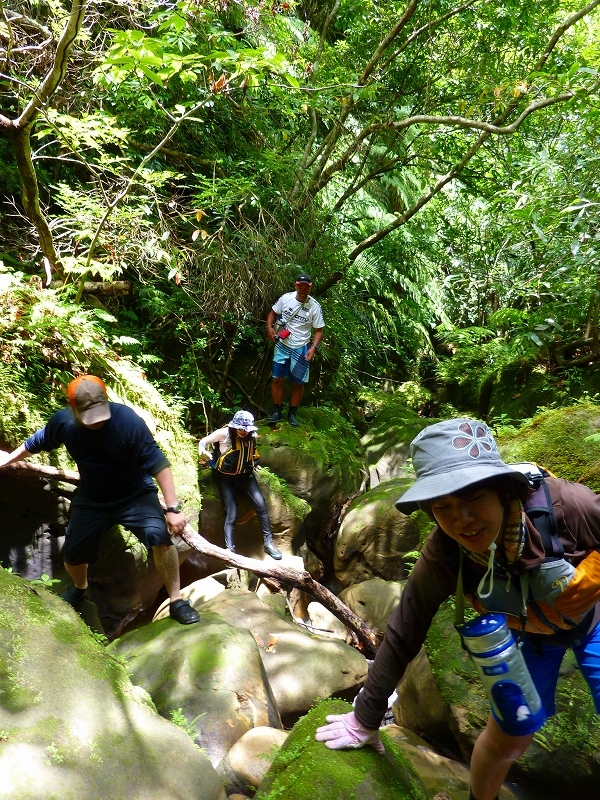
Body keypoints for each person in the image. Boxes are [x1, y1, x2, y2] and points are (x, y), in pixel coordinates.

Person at [315, 418, 600, 800]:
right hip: (528, 637)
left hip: (592, 623)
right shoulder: (444, 554)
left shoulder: (568, 506)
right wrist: (365, 718)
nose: (460, 519)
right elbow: (404, 630)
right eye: (443, 505)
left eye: (472, 499)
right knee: (508, 740)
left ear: (501, 490)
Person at [0, 375, 200, 625]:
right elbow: (36, 442)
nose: (96, 423)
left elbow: (158, 463)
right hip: (93, 496)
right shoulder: (63, 423)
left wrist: (173, 508)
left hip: (135, 493)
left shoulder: (127, 421)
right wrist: (7, 459)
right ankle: (80, 587)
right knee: (72, 554)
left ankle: (176, 600)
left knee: (159, 538)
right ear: (73, 408)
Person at [198, 410, 283, 560]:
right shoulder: (224, 434)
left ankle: (269, 544)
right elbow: (203, 441)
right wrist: (202, 451)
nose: (243, 432)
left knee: (261, 507)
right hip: (226, 478)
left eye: (246, 429)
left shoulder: (252, 436)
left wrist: (253, 463)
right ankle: (230, 552)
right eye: (240, 428)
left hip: (245, 476)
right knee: (232, 512)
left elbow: (250, 454)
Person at [266, 272, 324, 427]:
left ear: (310, 287)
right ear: (296, 285)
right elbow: (272, 314)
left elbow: (319, 330)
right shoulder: (286, 299)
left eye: (306, 287)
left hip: (301, 347)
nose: (303, 289)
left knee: (298, 382)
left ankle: (292, 413)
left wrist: (313, 348)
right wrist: (269, 328)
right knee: (277, 378)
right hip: (282, 345)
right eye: (300, 286)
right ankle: (277, 411)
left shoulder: (314, 307)